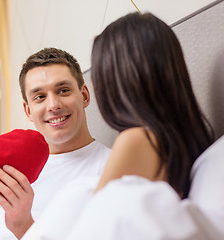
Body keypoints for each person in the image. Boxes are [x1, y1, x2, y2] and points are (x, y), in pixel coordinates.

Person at [0, 48, 111, 239]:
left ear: (85, 95)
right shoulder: (12, 166)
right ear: (28, 110)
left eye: (63, 90)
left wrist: (23, 227)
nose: (53, 105)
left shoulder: (113, 169)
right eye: (40, 97)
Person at [90, 12, 214, 197]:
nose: (93, 85)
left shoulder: (137, 139)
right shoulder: (190, 135)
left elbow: (95, 222)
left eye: (98, 74)